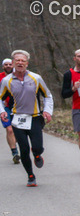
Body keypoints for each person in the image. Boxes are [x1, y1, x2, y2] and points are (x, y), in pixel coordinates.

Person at [0, 51, 52, 187]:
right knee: (23, 149)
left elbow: (48, 95)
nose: (20, 63)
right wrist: (2, 111)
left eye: (23, 60)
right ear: (13, 63)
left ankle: (37, 155)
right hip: (18, 119)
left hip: (34, 118)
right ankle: (30, 175)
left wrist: (47, 111)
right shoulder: (7, 81)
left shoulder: (36, 78)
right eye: (17, 60)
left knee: (37, 147)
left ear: (27, 63)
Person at [1, 59, 18, 163]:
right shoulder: (0, 77)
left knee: (17, 129)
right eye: (6, 65)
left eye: (10, 64)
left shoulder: (19, 75)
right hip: (4, 107)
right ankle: (14, 152)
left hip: (18, 107)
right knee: (9, 129)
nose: (8, 66)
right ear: (3, 66)